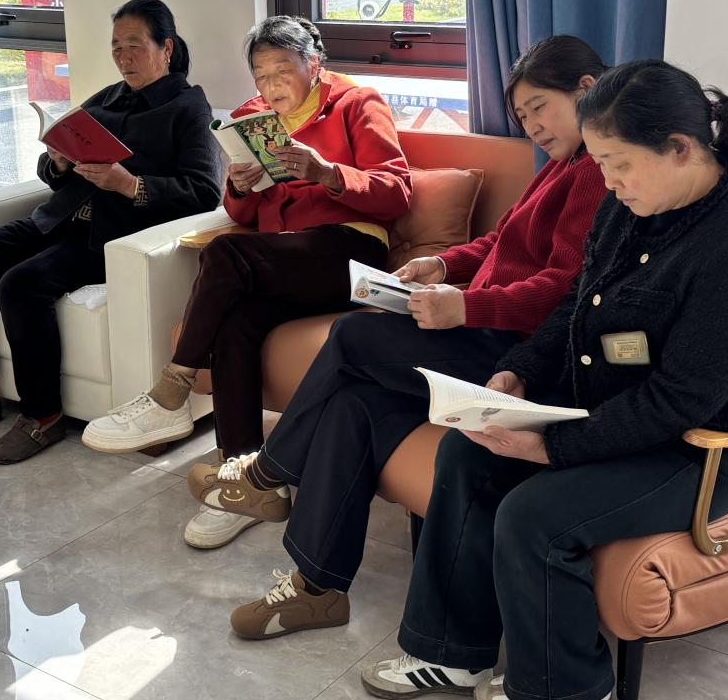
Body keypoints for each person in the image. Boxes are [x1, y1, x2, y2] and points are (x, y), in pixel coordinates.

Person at [360, 59, 728, 700]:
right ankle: (450, 652)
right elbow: (576, 303)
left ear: (679, 149)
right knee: (467, 453)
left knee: (535, 513)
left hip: (700, 450)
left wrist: (552, 447)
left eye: (618, 164)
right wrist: (519, 372)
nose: (608, 181)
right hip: (609, 411)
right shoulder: (630, 205)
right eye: (599, 163)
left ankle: (565, 683)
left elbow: (680, 401)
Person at [185, 35, 612, 629]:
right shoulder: (561, 166)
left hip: (517, 353)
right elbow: (500, 242)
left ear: (587, 90)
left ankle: (268, 472)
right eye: (522, 116)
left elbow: (564, 289)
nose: (532, 127)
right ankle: (317, 588)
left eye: (540, 107)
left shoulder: (597, 172)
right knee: (353, 405)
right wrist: (442, 264)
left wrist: (465, 306)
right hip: (487, 327)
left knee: (353, 337)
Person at [81, 15, 414, 548]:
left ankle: (172, 390)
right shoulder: (250, 119)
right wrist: (239, 185)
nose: (271, 85)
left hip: (349, 252)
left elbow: (397, 192)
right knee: (235, 322)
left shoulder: (356, 103)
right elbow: (240, 212)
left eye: (283, 70)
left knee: (227, 251)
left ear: (313, 64)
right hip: (283, 259)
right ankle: (248, 484)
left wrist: (326, 172)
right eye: (261, 74)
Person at [0, 0, 222, 464]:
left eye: (134, 46)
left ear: (166, 47)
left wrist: (131, 185)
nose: (123, 58)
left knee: (21, 284)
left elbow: (204, 192)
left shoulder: (188, 108)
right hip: (57, 218)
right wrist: (57, 162)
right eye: (116, 47)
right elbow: (55, 167)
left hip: (113, 236)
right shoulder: (107, 97)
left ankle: (42, 417)